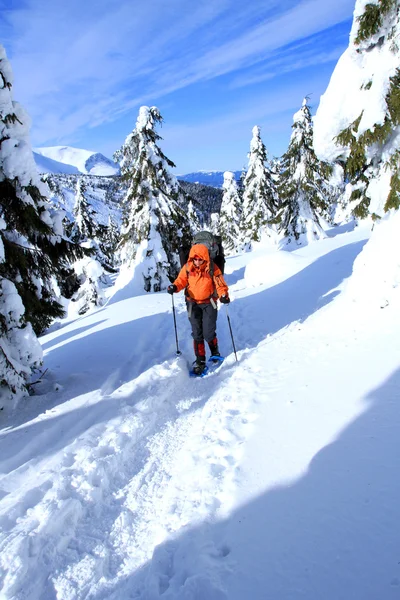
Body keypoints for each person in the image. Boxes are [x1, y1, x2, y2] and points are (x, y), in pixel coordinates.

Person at [168, 243, 230, 375]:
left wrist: (223, 295)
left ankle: (214, 351)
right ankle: (200, 360)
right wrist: (174, 287)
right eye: (194, 259)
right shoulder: (187, 268)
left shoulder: (212, 268)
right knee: (197, 333)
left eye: (199, 259)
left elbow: (220, 284)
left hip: (209, 303)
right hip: (192, 304)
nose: (197, 261)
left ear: (205, 258)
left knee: (208, 331)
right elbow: (181, 281)